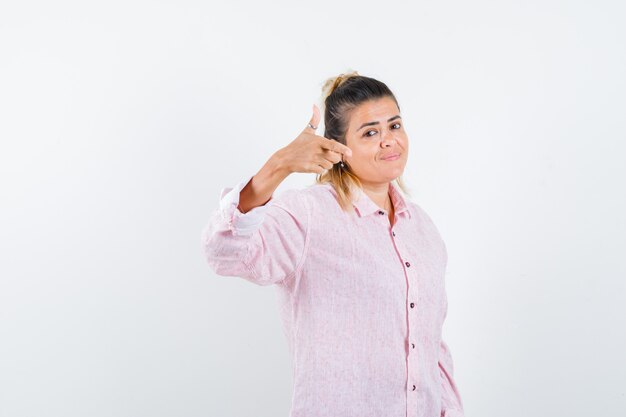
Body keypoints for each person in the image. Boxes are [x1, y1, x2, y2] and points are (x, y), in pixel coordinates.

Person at [201, 71, 465, 417]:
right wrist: (279, 165)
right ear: (339, 147)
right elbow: (224, 253)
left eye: (395, 126)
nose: (389, 141)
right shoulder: (310, 214)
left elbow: (431, 348)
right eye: (370, 132)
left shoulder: (423, 230)